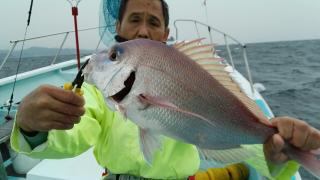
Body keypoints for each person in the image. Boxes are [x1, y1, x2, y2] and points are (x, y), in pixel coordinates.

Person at [11, 0, 320, 179]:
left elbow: (247, 141)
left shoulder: (194, 74)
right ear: (119, 28)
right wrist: (31, 128)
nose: (144, 29)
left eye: (153, 22)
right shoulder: (95, 94)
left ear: (166, 32)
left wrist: (279, 153)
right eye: (134, 20)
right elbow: (73, 135)